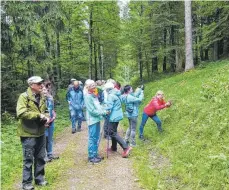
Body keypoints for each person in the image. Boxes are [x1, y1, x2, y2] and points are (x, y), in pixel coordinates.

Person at [16, 76, 49, 190]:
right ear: (31, 85)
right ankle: (27, 183)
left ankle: (39, 179)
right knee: (28, 159)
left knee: (40, 157)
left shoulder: (42, 96)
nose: (41, 85)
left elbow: (45, 111)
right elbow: (21, 113)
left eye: (41, 83)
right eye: (38, 83)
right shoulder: (24, 97)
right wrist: (38, 115)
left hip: (41, 132)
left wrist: (46, 118)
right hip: (28, 133)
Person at [105, 82, 132, 158]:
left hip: (113, 116)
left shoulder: (110, 95)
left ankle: (126, 147)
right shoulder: (116, 93)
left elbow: (109, 107)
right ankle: (114, 147)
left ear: (107, 89)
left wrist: (104, 109)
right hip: (118, 115)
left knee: (112, 132)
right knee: (113, 131)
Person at [84, 80, 108, 163]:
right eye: (92, 86)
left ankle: (95, 154)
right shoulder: (88, 96)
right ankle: (91, 156)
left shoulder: (94, 95)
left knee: (96, 137)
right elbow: (92, 111)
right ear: (88, 87)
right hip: (92, 120)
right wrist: (104, 112)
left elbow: (98, 106)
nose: (94, 87)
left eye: (94, 85)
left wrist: (104, 109)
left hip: (97, 119)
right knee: (92, 138)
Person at [42, 83, 59, 162]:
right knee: (43, 139)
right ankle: (44, 156)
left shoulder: (50, 99)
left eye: (45, 89)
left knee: (50, 139)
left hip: (51, 121)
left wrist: (54, 114)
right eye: (42, 90)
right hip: (43, 123)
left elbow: (51, 109)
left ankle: (50, 154)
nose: (44, 91)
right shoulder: (39, 100)